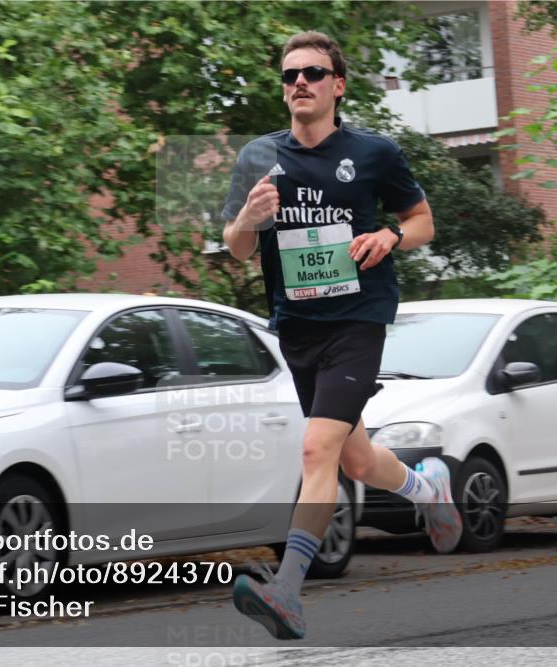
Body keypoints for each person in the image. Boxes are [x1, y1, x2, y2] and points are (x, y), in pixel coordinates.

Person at [221, 31, 462, 641]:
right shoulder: (258, 157)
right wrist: (248, 218)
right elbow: (237, 248)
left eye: (312, 73)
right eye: (290, 75)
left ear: (338, 85)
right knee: (354, 458)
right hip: (297, 326)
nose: (299, 82)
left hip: (358, 320)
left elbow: (422, 221)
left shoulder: (373, 152)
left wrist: (390, 236)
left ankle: (287, 592)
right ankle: (427, 487)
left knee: (315, 450)